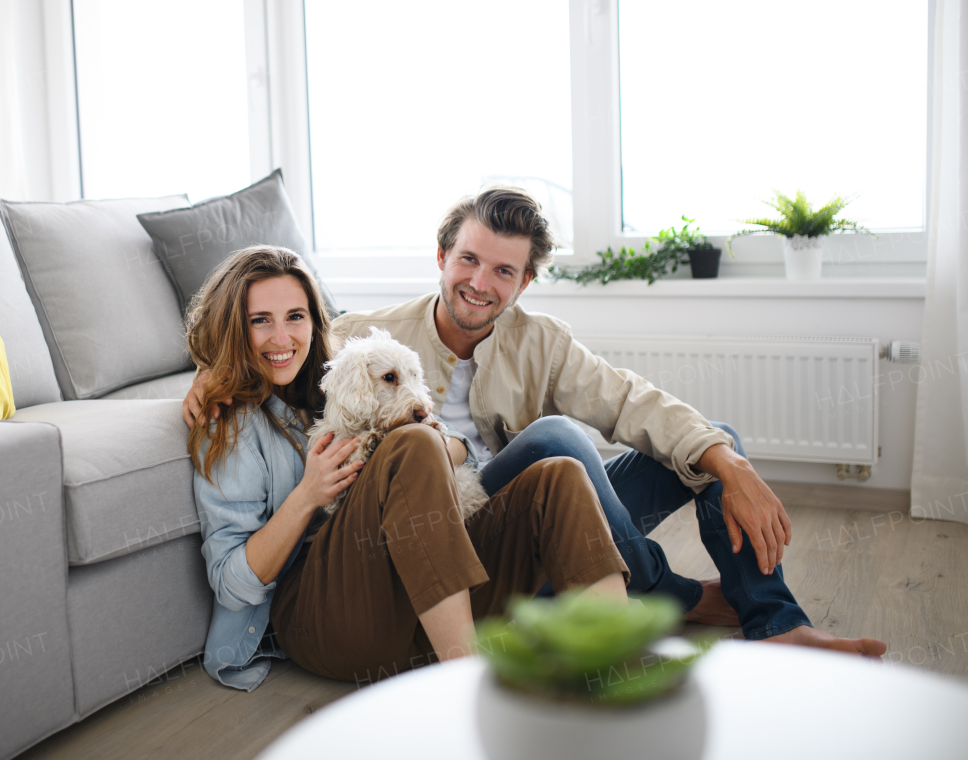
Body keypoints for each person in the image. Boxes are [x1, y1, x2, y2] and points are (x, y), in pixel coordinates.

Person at [185, 187, 887, 657]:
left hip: (512, 508)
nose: (479, 282)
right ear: (441, 257)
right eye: (467, 259)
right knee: (553, 439)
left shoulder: (541, 338)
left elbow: (628, 400)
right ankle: (670, 593)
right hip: (445, 515)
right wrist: (206, 377)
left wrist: (727, 463)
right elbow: (277, 345)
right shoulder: (371, 333)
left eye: (502, 271)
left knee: (711, 442)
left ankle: (775, 621)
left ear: (524, 283)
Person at [186, 244, 629, 690]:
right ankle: (469, 693)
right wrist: (306, 497)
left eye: (295, 317)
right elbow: (230, 583)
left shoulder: (334, 375)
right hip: (327, 621)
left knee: (559, 477)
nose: (282, 338)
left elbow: (458, 455)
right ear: (233, 328)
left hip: (415, 606)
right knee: (414, 443)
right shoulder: (229, 422)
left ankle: (621, 676)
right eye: (260, 320)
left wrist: (445, 445)